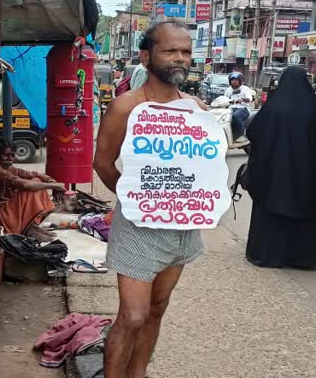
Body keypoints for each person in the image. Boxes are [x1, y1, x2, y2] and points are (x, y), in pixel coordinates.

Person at [94, 20, 208, 378]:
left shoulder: (196, 108)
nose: (180, 58)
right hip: (139, 226)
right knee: (132, 316)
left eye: (186, 52)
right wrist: (136, 200)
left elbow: (203, 166)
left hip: (182, 227)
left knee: (157, 308)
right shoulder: (126, 107)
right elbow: (102, 162)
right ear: (146, 56)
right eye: (170, 50)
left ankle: (137, 373)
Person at [245, 66, 316, 268]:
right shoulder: (313, 108)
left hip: (273, 172)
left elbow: (254, 131)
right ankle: (301, 258)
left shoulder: (274, 106)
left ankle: (268, 255)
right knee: (303, 208)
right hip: (304, 174)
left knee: (270, 209)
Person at [0, 141, 65, 237]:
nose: (10, 159)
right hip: (3, 216)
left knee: (36, 180)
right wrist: (55, 186)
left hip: (11, 212)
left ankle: (33, 225)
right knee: (31, 188)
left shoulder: (10, 168)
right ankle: (29, 229)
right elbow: (25, 185)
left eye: (12, 155)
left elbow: (34, 174)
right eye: (6, 155)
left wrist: (51, 181)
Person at [224, 72, 253, 143]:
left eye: (236, 80)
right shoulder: (228, 90)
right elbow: (224, 99)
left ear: (240, 81)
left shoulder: (245, 89)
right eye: (232, 80)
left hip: (243, 109)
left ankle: (241, 135)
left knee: (235, 116)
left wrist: (243, 99)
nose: (234, 81)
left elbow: (249, 98)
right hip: (230, 109)